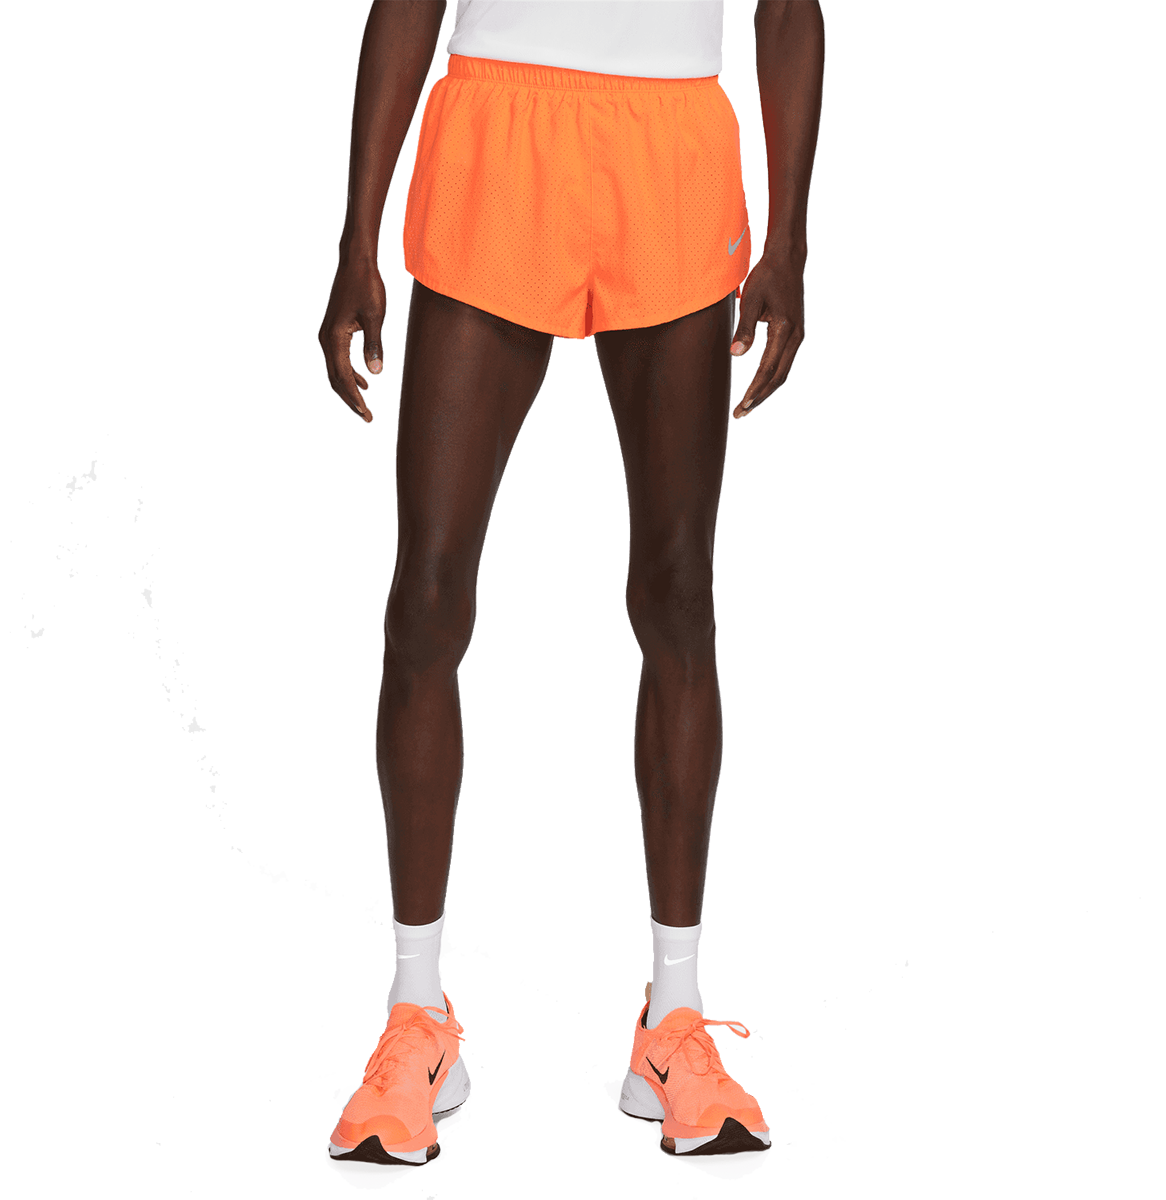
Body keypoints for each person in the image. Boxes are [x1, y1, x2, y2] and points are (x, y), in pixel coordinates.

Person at [317, 0, 824, 1166]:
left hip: (672, 145)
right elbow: (408, 2)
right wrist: (355, 242)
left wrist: (787, 244)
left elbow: (789, 10)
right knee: (427, 595)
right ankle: (416, 1015)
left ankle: (673, 1020)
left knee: (677, 598)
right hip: (497, 127)